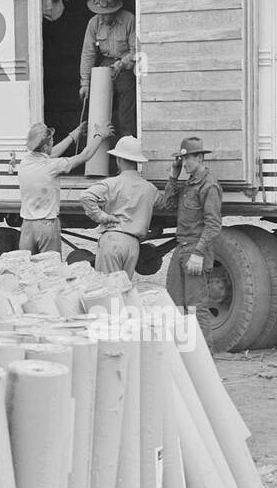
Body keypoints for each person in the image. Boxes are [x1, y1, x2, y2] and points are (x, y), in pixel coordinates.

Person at [154, 136, 222, 340]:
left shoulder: (209, 186)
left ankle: (204, 358)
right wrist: (173, 177)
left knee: (196, 307)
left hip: (194, 250)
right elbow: (166, 204)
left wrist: (198, 253)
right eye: (182, 160)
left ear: (201, 157)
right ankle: (185, 351)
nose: (184, 164)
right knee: (174, 302)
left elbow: (213, 225)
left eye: (189, 159)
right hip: (182, 247)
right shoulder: (189, 184)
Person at [18, 120, 111, 255]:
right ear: (44, 148)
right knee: (50, 269)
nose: (53, 143)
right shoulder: (52, 166)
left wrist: (74, 135)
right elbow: (85, 155)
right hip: (47, 226)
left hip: (27, 227)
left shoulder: (25, 161)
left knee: (26, 268)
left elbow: (51, 153)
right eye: (51, 141)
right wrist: (100, 135)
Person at [80, 136, 158, 276]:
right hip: (133, 245)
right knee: (123, 288)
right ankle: (118, 300)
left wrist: (102, 217)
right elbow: (166, 202)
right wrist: (174, 180)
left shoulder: (111, 183)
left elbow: (86, 197)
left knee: (110, 290)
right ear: (137, 161)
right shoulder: (150, 189)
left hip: (113, 241)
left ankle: (114, 300)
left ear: (119, 160)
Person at [79, 0, 137, 148]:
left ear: (115, 10)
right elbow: (88, 53)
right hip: (105, 64)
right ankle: (99, 154)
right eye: (99, 12)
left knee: (125, 114)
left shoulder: (129, 20)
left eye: (106, 13)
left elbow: (136, 50)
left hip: (125, 66)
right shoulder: (93, 23)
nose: (102, 16)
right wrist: (85, 82)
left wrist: (122, 64)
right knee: (101, 110)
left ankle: (127, 153)